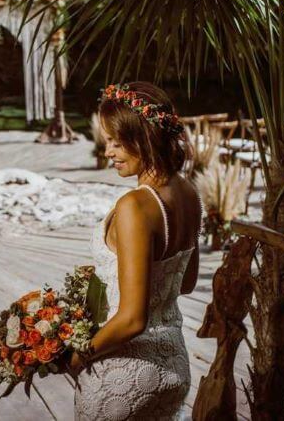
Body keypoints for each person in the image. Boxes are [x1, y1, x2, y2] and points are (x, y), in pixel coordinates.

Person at [70, 82, 202, 420]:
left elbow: (132, 319)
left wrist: (76, 357)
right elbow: (185, 283)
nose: (109, 152)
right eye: (107, 142)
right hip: (172, 364)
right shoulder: (188, 193)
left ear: (142, 136)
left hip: (125, 373)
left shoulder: (135, 205)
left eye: (116, 142)